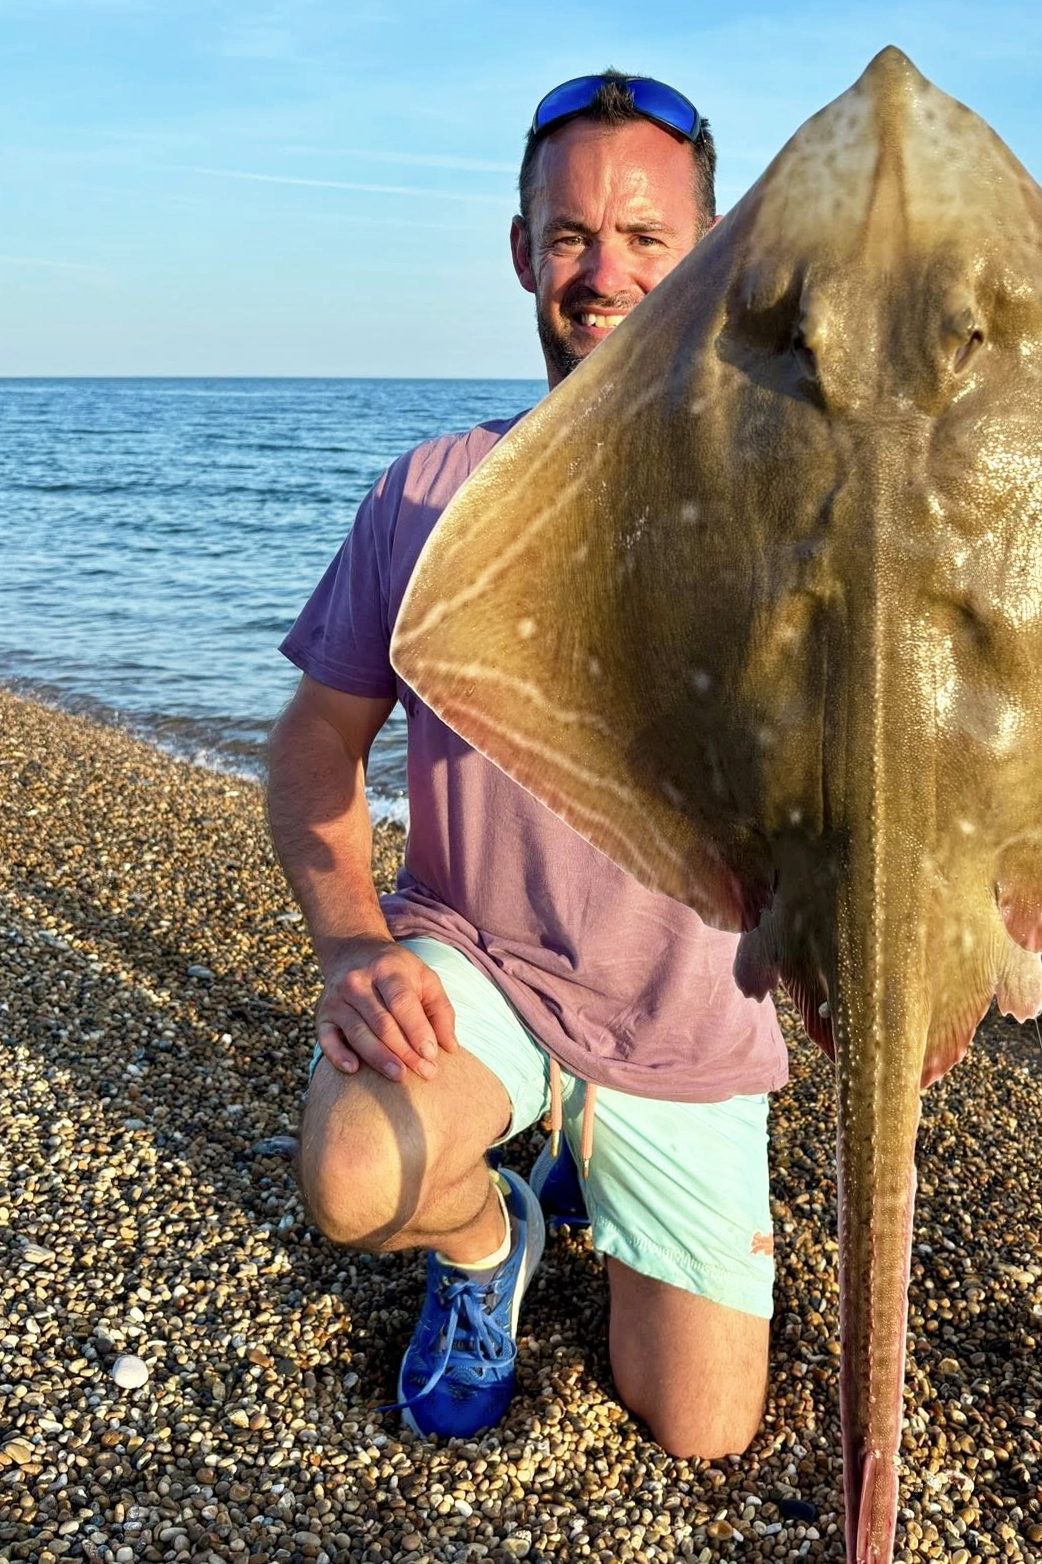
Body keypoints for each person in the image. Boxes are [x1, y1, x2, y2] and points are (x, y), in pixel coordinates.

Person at [265, 72, 786, 1455]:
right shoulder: (430, 491)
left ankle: (582, 1149)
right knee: (354, 1173)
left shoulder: (786, 515)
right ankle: (488, 1237)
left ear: (711, 259)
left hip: (690, 1024)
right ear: (520, 255)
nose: (602, 272)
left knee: (701, 1429)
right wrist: (344, 947)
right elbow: (316, 742)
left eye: (644, 238)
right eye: (568, 237)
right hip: (479, 967)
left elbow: (880, 785)